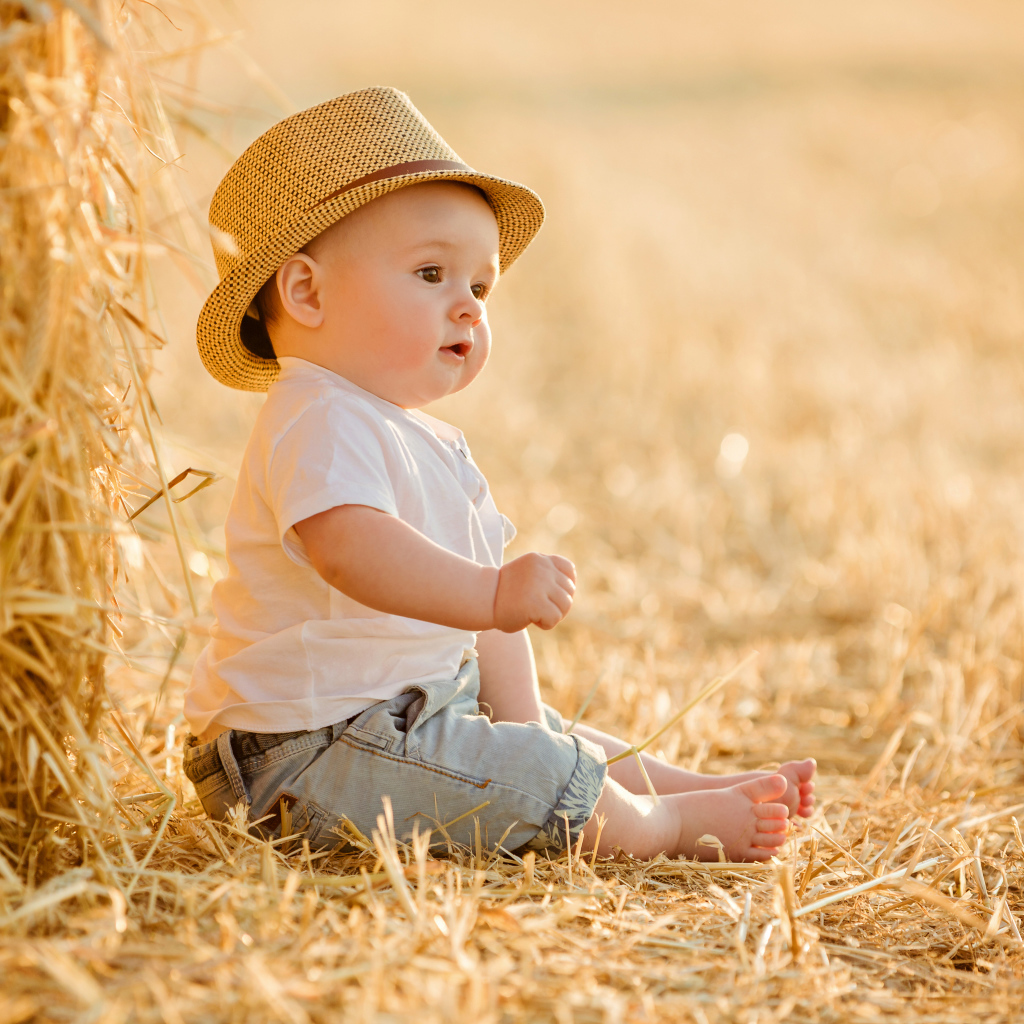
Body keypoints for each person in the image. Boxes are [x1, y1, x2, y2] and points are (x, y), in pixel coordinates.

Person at [182, 87, 815, 862]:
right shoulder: (317, 415)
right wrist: (491, 596)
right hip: (304, 751)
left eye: (480, 288)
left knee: (544, 737)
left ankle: (677, 786)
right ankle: (664, 829)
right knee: (537, 768)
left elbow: (489, 621)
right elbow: (350, 549)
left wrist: (521, 709)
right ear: (306, 291)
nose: (470, 308)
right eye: (431, 274)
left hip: (393, 722)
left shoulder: (425, 440)